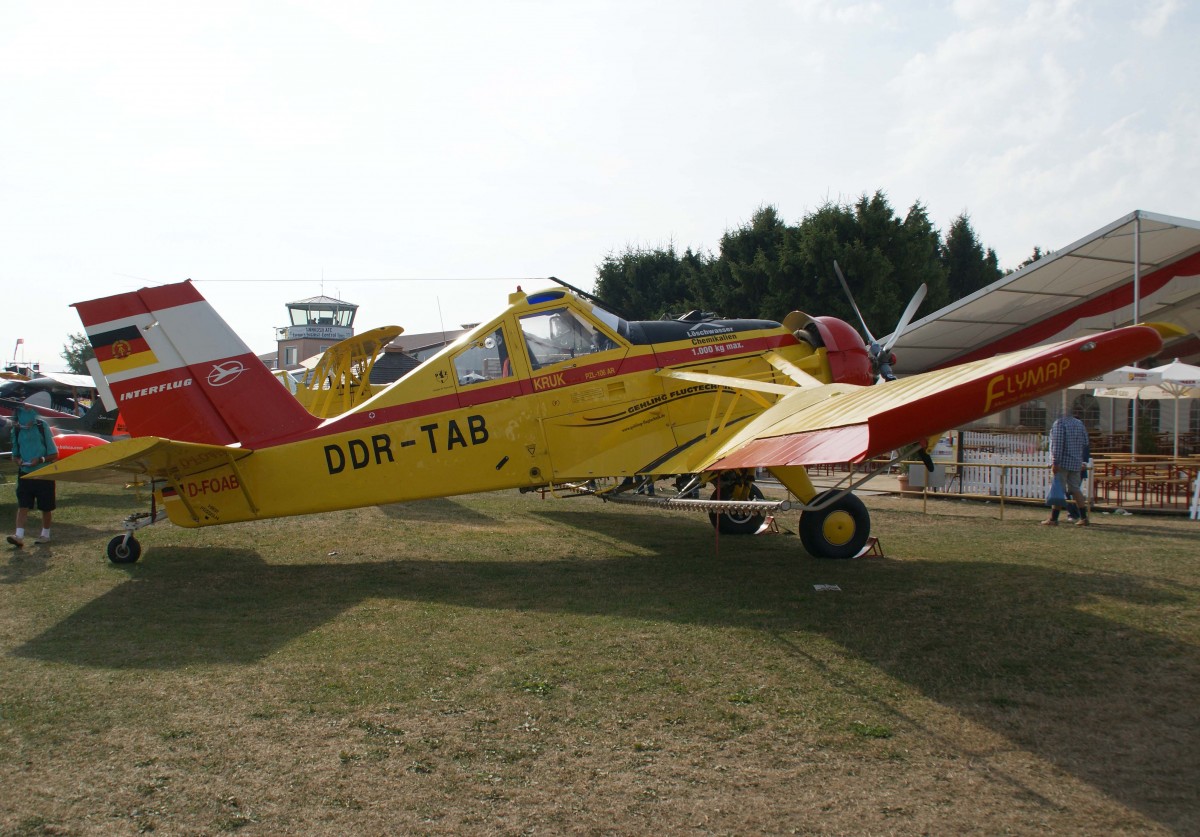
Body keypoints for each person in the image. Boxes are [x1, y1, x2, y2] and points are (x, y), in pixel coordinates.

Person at [7, 403, 58, 548]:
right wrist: (18, 460)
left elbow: (54, 454)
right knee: (23, 505)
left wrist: (40, 459)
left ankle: (45, 535)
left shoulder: (42, 427)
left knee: (46, 507)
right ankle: (18, 536)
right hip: (25, 473)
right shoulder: (16, 430)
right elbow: (15, 454)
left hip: (43, 474)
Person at [1043, 411, 1090, 527]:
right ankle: (1084, 517)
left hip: (1062, 463)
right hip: (1076, 462)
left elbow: (1057, 445)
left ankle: (1053, 518)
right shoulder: (1079, 423)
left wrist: (1055, 462)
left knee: (1058, 489)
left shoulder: (1059, 424)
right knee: (1075, 489)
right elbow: (1085, 442)